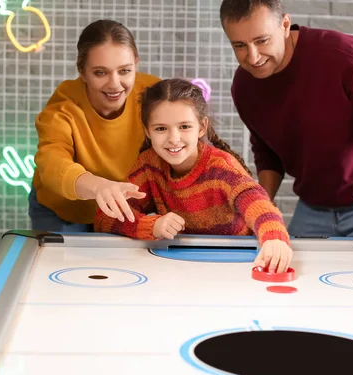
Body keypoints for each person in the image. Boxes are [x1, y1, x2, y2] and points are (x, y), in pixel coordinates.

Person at [219, 0, 353, 239]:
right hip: (313, 207)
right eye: (240, 45)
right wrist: (257, 205)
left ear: (285, 24)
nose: (253, 57)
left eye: (262, 40)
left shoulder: (344, 57)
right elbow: (267, 153)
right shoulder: (244, 86)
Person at [94, 78, 293, 273]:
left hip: (237, 263)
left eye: (184, 127)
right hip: (182, 266)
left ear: (202, 127)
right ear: (147, 131)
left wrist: (274, 239)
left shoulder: (221, 168)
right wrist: (151, 226)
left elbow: (259, 205)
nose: (174, 139)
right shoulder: (149, 165)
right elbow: (106, 218)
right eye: (161, 128)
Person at [29, 19, 160, 232]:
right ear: (82, 71)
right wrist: (98, 186)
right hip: (64, 210)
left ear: (136, 63)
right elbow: (51, 162)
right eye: (100, 72)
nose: (114, 84)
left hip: (122, 207)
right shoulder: (64, 105)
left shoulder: (153, 95)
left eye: (125, 71)